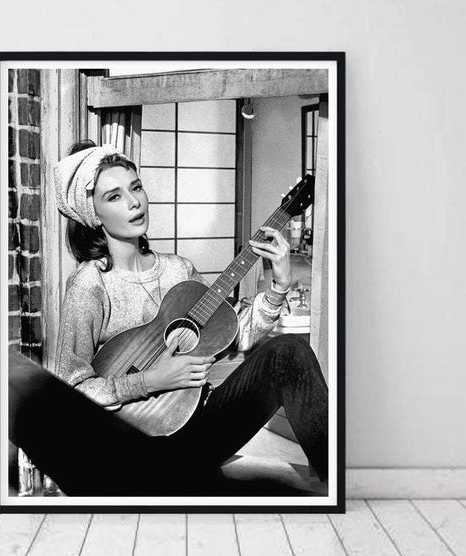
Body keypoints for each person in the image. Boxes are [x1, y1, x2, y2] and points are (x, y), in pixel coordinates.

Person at [34, 141, 328, 496]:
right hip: (133, 449)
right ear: (93, 214)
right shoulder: (89, 284)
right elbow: (70, 393)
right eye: (114, 196)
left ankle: (339, 487)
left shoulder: (178, 270)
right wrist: (149, 381)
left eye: (136, 187)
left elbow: (237, 334)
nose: (134, 202)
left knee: (289, 352)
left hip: (198, 428)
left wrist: (279, 284)